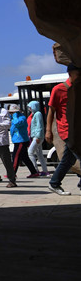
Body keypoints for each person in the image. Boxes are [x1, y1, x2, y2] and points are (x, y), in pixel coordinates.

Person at [47, 64, 80, 195]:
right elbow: (51, 111)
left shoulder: (78, 89)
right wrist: (48, 130)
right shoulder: (59, 89)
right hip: (66, 130)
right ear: (70, 74)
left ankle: (54, 183)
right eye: (78, 74)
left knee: (68, 160)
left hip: (78, 130)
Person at [9, 104, 39, 177]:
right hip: (18, 140)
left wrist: (15, 115)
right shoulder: (13, 118)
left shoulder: (21, 118)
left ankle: (12, 173)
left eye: (12, 112)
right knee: (25, 158)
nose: (11, 114)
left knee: (15, 157)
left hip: (21, 141)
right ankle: (34, 172)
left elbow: (17, 123)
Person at [27, 100, 49, 176]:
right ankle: (45, 171)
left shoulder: (37, 114)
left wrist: (38, 136)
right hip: (36, 136)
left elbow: (39, 126)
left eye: (30, 107)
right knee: (39, 155)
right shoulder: (36, 114)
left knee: (30, 152)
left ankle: (35, 170)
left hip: (37, 137)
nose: (29, 108)